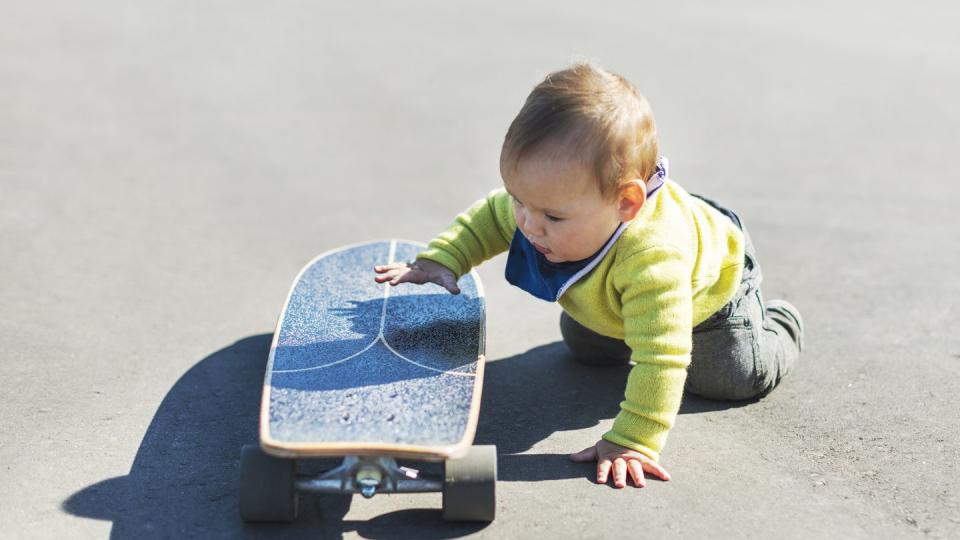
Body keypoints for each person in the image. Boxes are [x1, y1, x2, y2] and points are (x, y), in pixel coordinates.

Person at [373, 63, 804, 489]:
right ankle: (616, 322)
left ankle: (780, 322)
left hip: (712, 292)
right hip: (612, 295)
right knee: (588, 347)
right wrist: (442, 258)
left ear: (627, 203)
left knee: (727, 378)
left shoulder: (655, 260)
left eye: (551, 216)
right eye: (518, 198)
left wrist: (634, 439)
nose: (528, 223)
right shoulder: (543, 204)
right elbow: (488, 217)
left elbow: (663, 356)